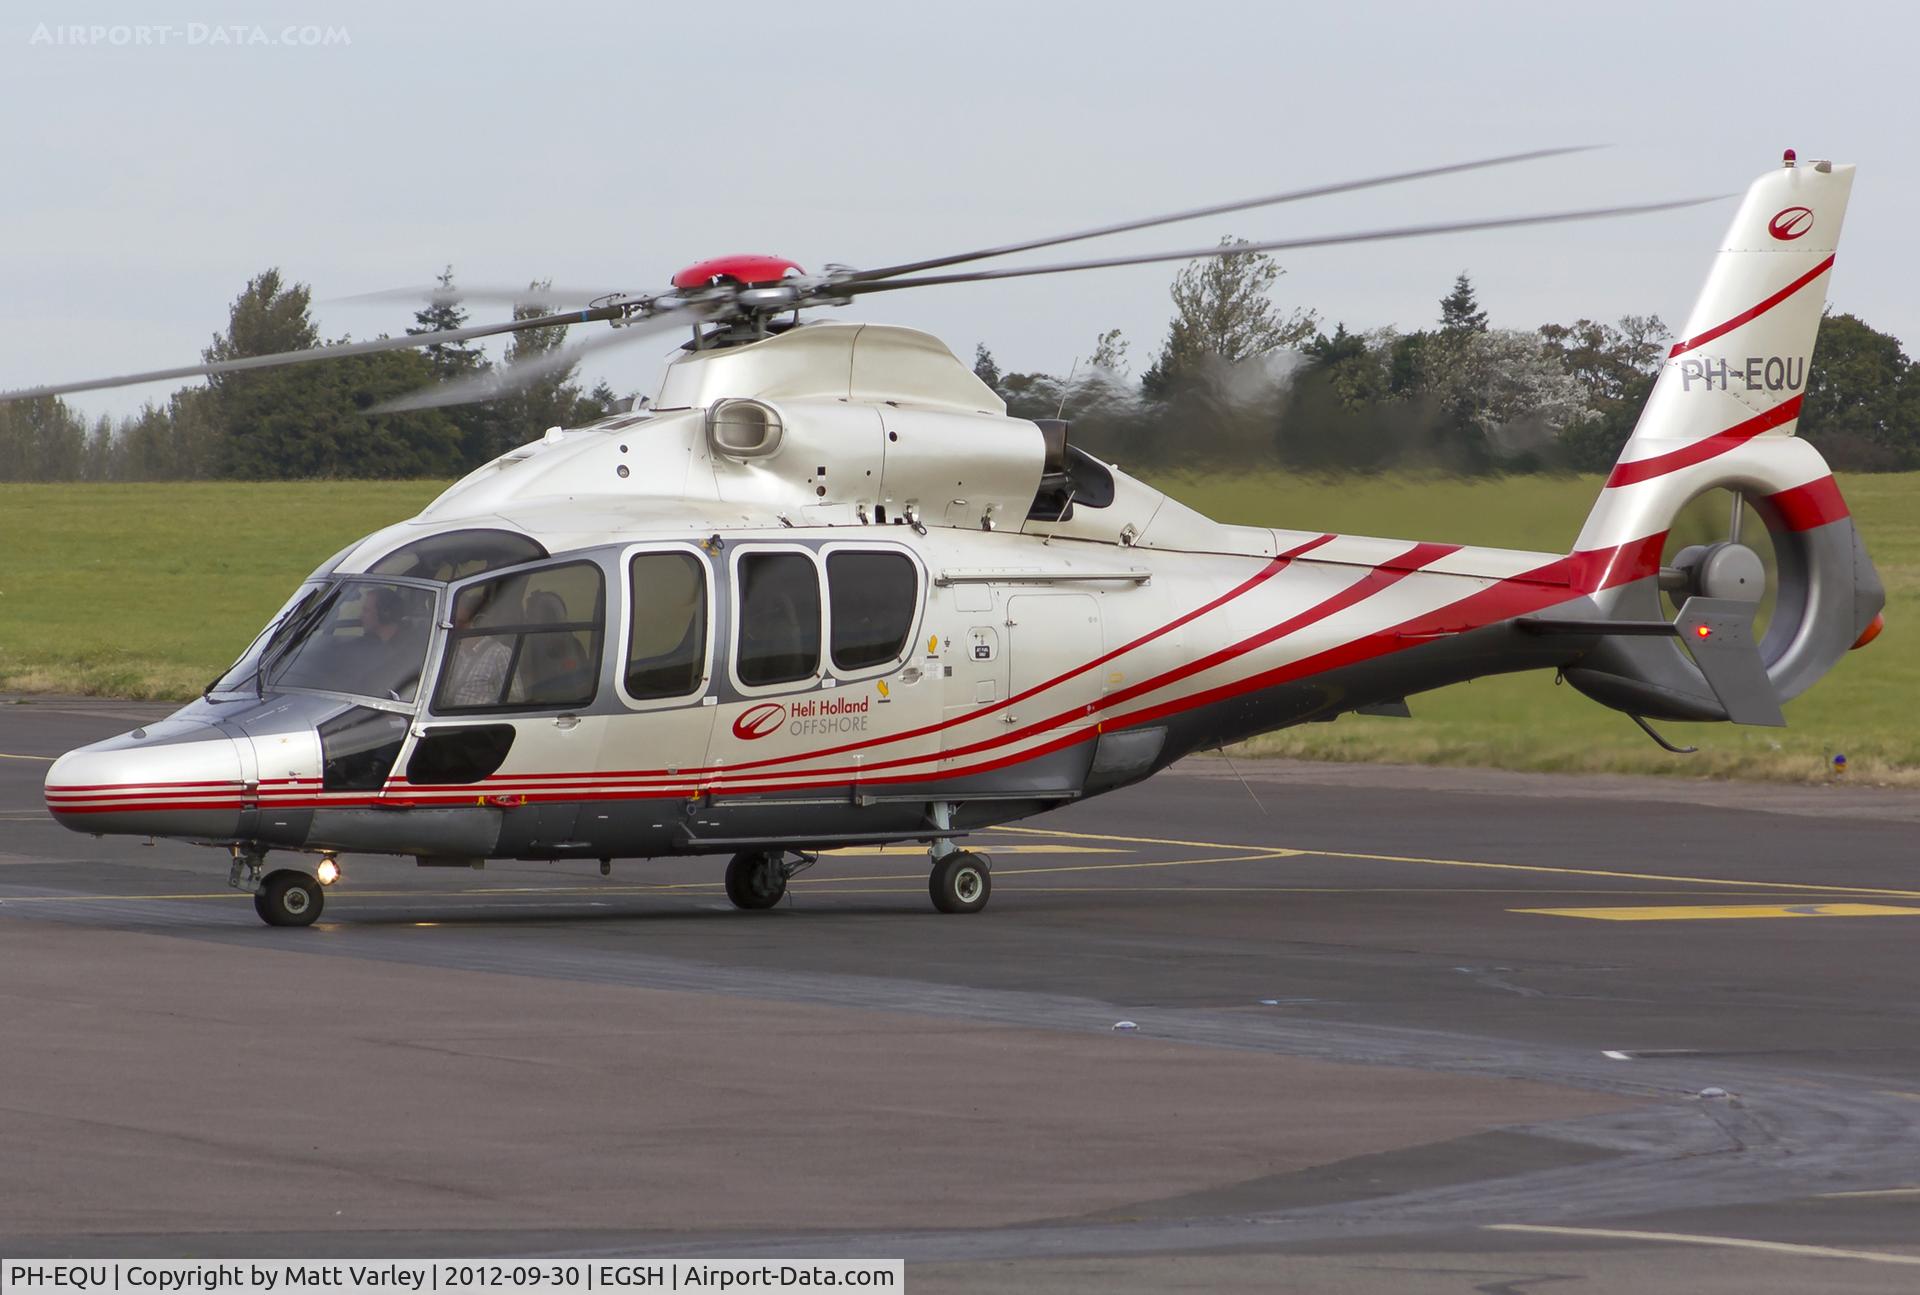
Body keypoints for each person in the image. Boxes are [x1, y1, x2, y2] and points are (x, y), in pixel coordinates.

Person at [441, 584, 515, 707]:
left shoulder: (500, 653)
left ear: (478, 622)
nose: (454, 628)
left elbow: (514, 698)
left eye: (460, 623)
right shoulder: (452, 652)